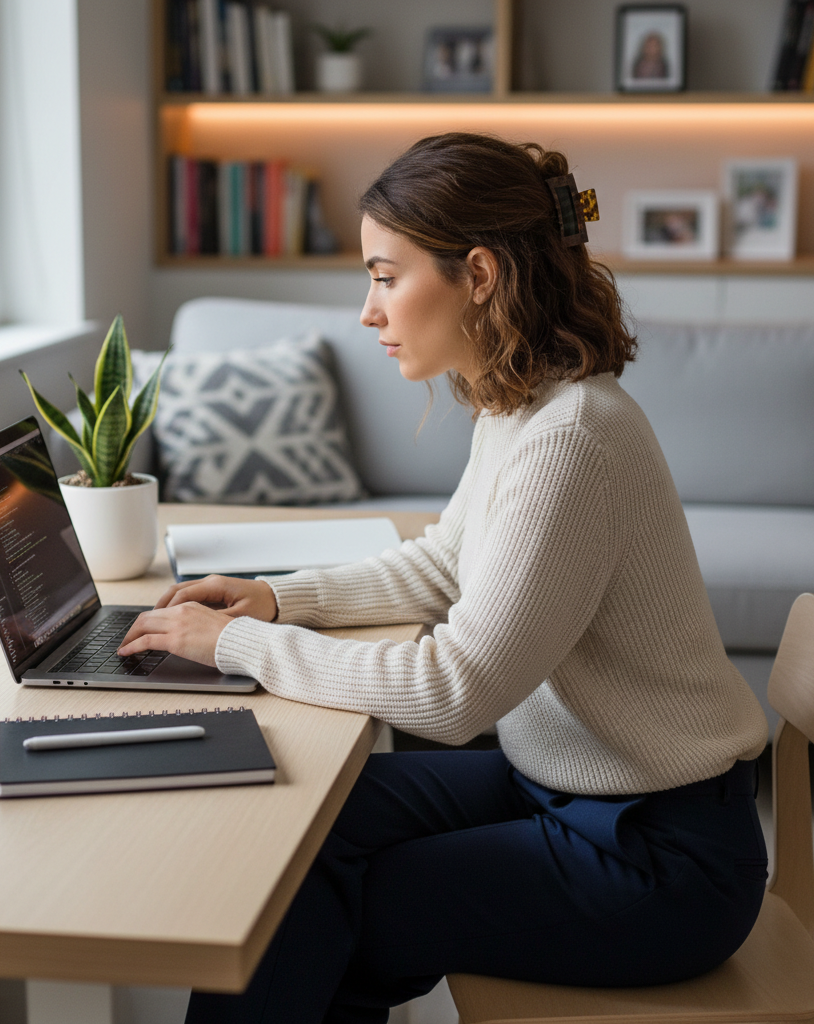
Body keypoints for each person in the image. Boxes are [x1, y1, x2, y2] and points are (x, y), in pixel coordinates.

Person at [118, 133, 769, 1024]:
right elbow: (443, 562)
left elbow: (454, 690)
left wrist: (243, 646)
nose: (367, 311)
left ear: (479, 274)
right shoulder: (521, 400)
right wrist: (276, 597)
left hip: (660, 856)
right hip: (563, 785)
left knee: (350, 904)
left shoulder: (573, 436)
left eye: (386, 277)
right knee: (306, 822)